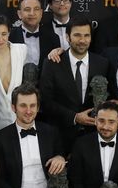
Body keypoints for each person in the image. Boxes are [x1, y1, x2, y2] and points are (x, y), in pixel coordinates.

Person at [39, 16, 109, 152]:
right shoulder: (52, 63)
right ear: (67, 37)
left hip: (93, 136)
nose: (82, 40)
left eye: (86, 35)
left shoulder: (102, 63)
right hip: (61, 136)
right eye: (77, 35)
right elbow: (46, 101)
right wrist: (74, 117)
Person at [9, 0, 58, 71]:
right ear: (19, 14)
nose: (32, 13)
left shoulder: (53, 37)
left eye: (36, 9)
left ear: (41, 13)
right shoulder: (9, 37)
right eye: (27, 9)